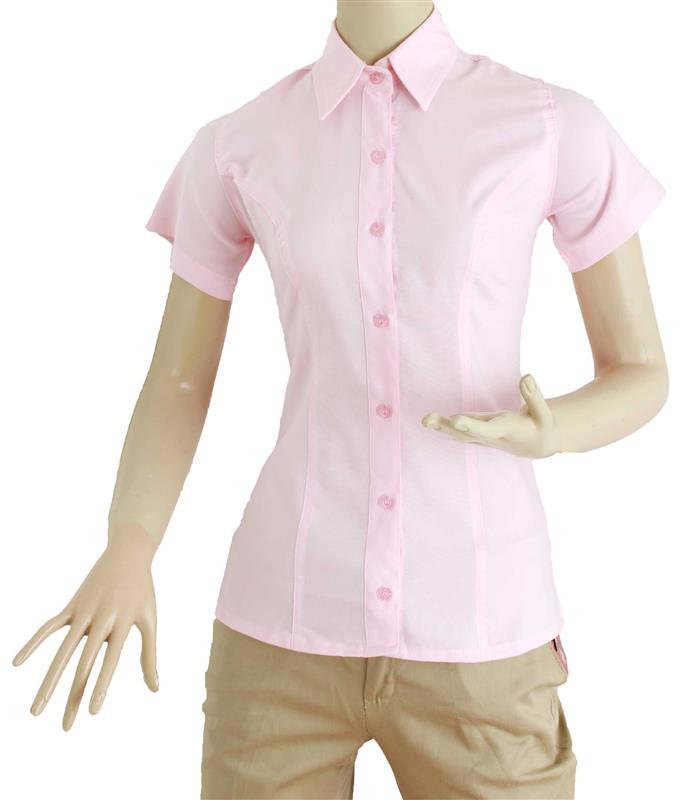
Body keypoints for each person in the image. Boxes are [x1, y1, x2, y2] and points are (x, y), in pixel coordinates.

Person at [12, 2, 668, 798]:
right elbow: (179, 378)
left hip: (481, 629)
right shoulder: (241, 143)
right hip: (280, 627)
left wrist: (553, 428)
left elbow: (640, 369)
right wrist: (129, 545)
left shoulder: (550, 126)